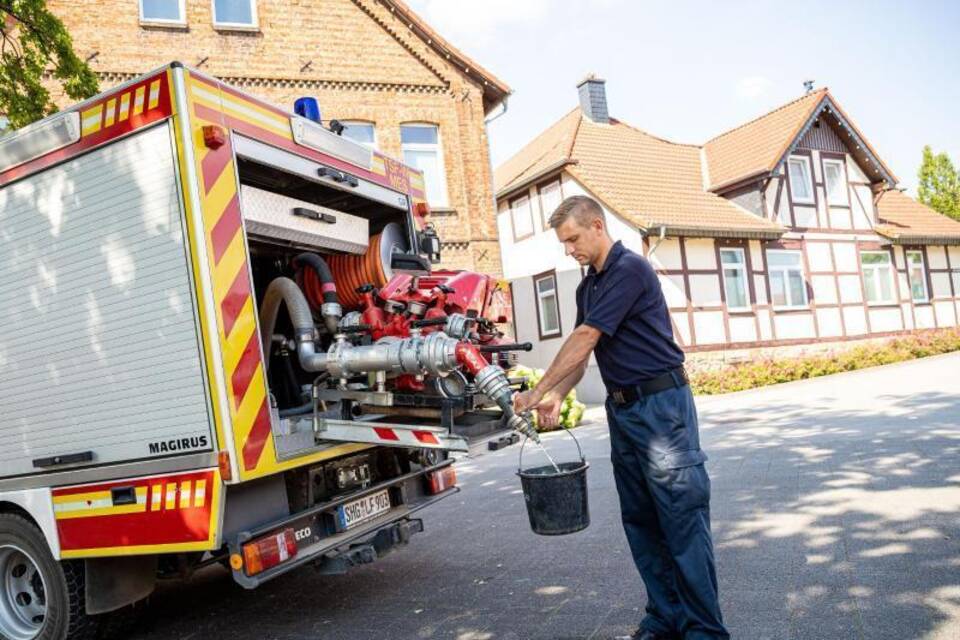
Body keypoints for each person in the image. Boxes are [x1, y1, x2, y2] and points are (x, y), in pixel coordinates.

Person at [513, 196, 728, 640]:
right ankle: (665, 617)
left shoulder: (630, 270)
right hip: (623, 410)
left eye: (572, 238)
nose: (568, 249)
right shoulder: (587, 287)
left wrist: (535, 390)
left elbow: (586, 335)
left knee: (681, 520)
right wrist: (556, 393)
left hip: (661, 409)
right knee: (641, 520)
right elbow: (584, 351)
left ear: (596, 226)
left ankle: (705, 631)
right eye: (563, 242)